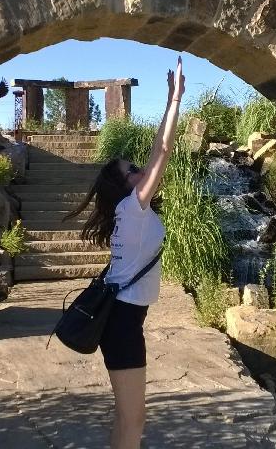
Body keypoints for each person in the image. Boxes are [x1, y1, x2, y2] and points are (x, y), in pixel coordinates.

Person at [63, 57, 185, 449]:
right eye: (132, 169)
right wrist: (174, 101)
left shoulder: (127, 211)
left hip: (123, 316)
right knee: (133, 421)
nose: (141, 170)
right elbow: (162, 152)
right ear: (124, 185)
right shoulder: (132, 208)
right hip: (122, 321)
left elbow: (155, 157)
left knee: (128, 417)